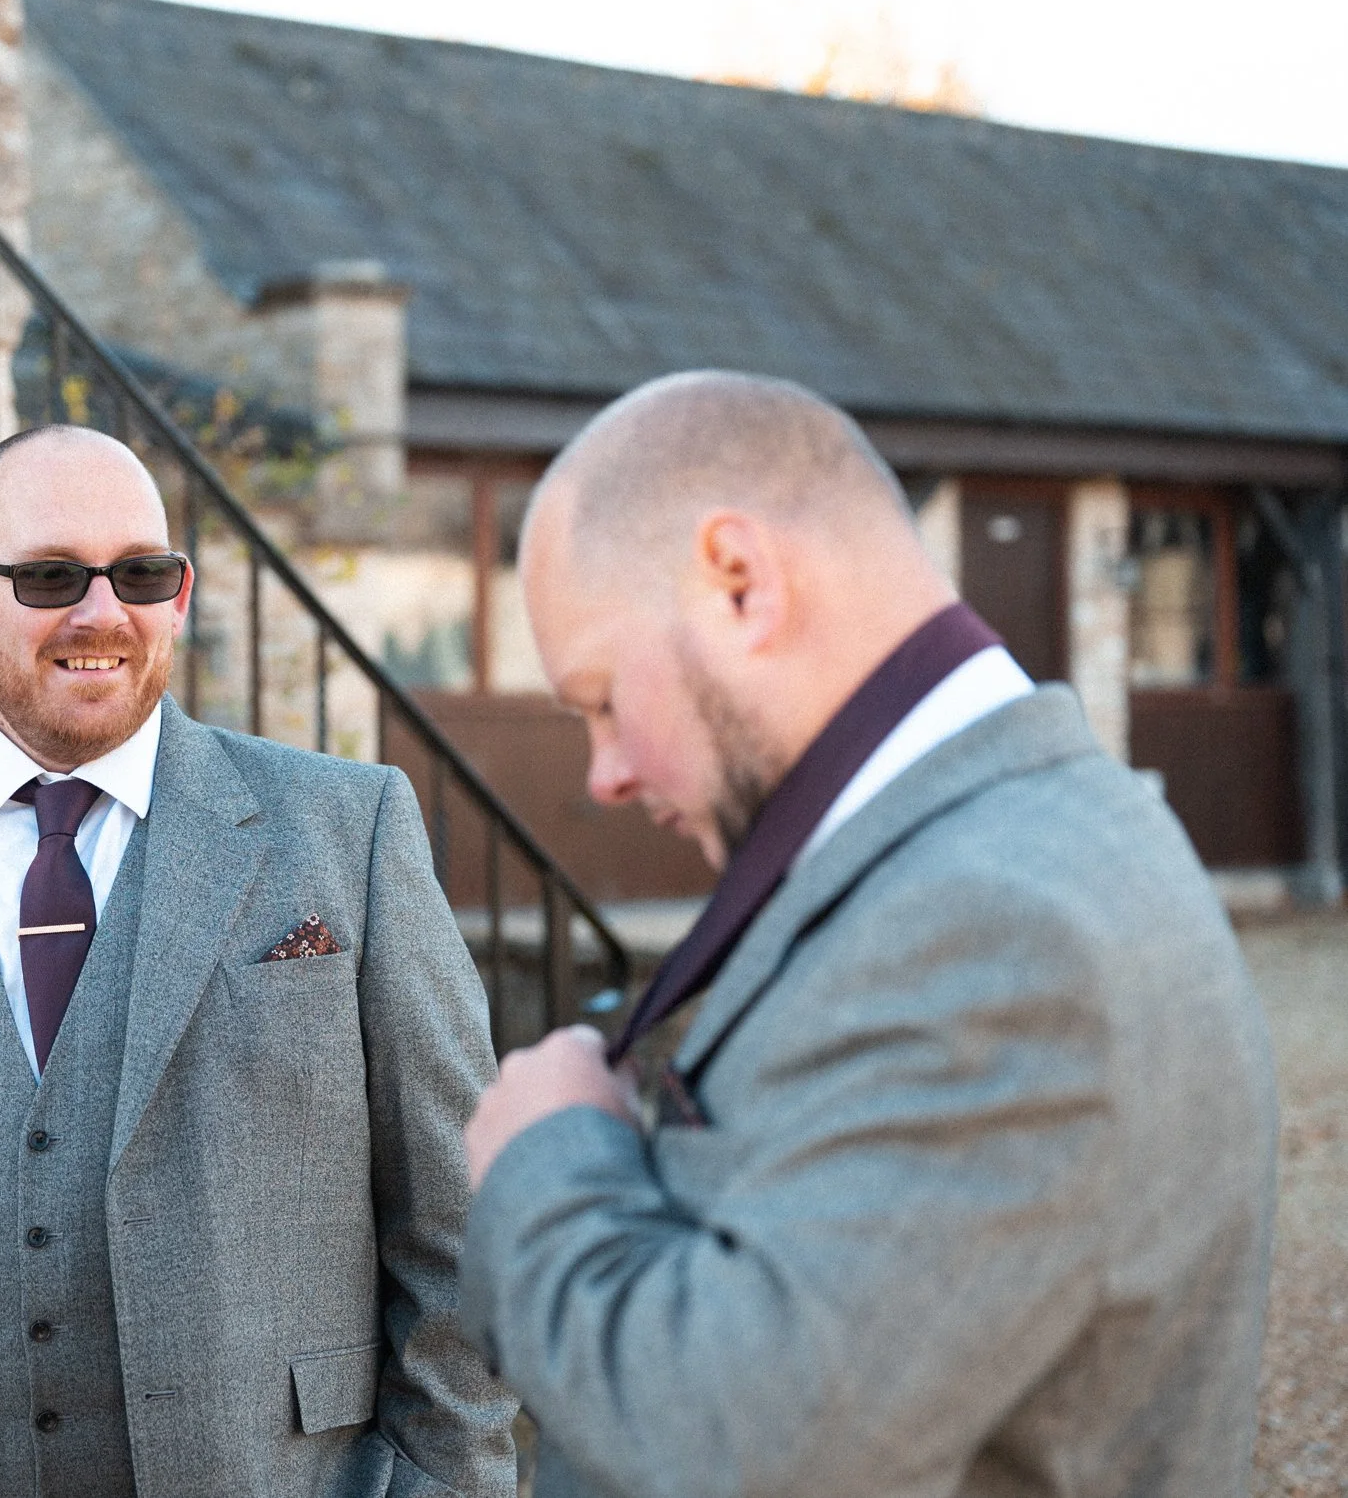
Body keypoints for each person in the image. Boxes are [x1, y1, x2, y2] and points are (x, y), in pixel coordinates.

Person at [459, 370, 1279, 1498]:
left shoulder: (995, 923)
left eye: (602, 697)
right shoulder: (1014, 837)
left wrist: (546, 1153)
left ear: (739, 581)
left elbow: (747, 1453)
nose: (603, 772)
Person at [0, 423, 518, 1498]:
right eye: (51, 576)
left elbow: (458, 1224)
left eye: (141, 573)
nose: (103, 612)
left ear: (178, 596)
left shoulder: (346, 826)